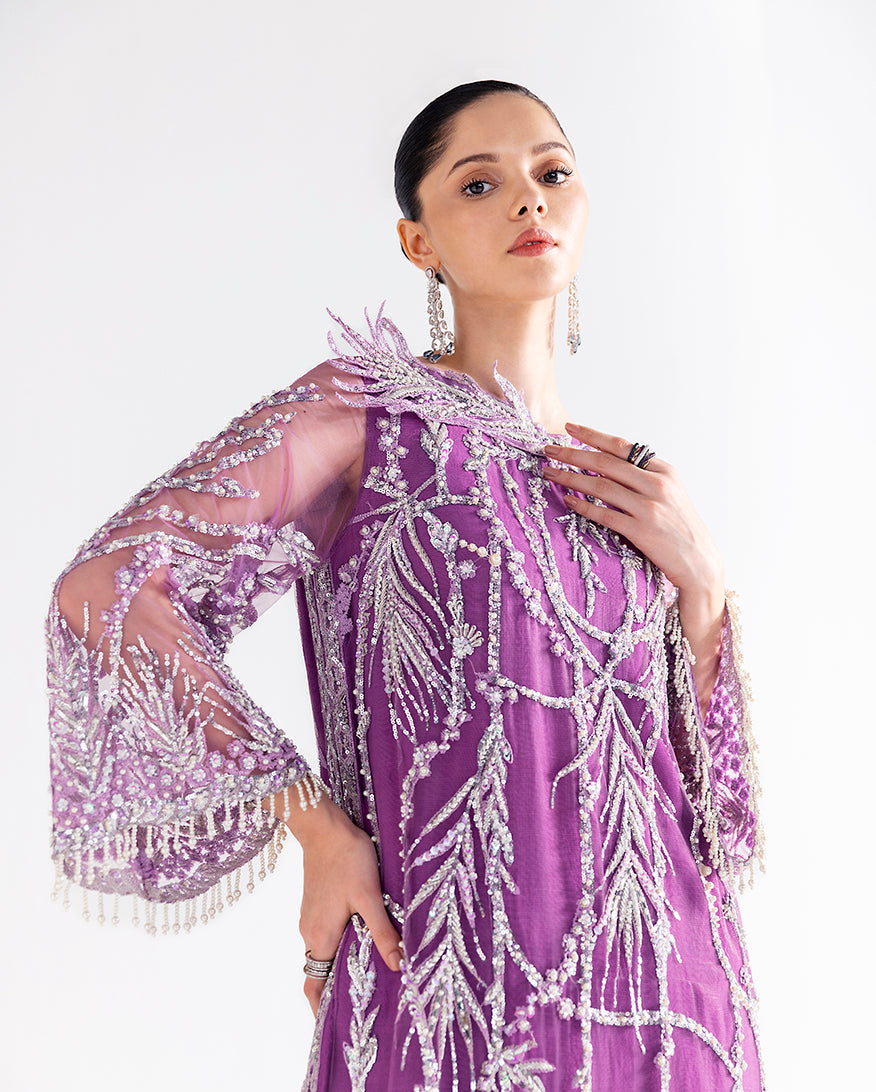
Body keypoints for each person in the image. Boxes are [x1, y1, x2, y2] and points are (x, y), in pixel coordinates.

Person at [46, 79, 765, 1090]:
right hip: (447, 986)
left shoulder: (631, 487)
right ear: (417, 241)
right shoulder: (368, 418)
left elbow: (714, 820)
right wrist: (313, 824)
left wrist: (702, 587)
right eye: (480, 183)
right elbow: (108, 588)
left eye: (553, 172)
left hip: (671, 1005)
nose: (530, 198)